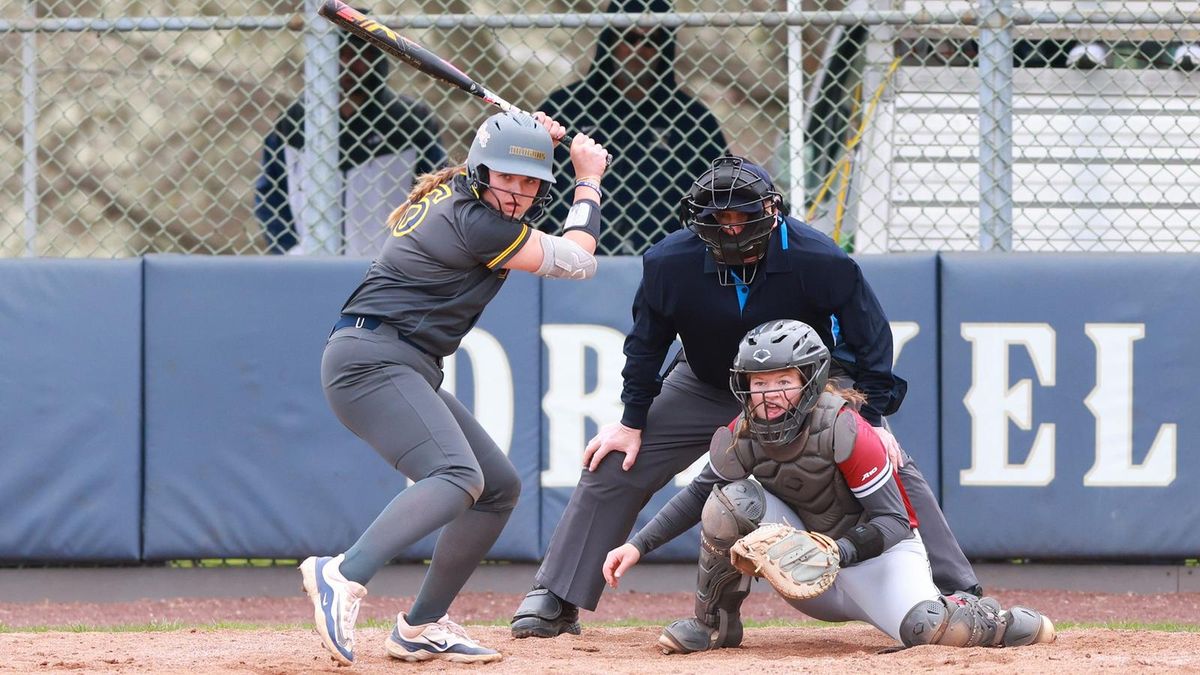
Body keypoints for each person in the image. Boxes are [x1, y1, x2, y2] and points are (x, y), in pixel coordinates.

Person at [510, 155, 981, 639]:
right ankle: (557, 595)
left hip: (803, 387)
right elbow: (646, 344)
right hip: (707, 380)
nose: (731, 228)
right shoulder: (669, 262)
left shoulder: (819, 258)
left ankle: (960, 591)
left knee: (892, 463)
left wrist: (875, 419)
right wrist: (631, 422)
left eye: (743, 215)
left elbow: (870, 336)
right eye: (719, 218)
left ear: (771, 210)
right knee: (615, 462)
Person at [299, 110, 609, 665]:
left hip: (396, 360)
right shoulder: (478, 222)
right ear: (479, 171)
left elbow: (506, 165)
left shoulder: (462, 195)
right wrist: (587, 178)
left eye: (530, 182)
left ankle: (420, 626)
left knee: (496, 488)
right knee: (456, 476)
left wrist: (531, 143)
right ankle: (342, 573)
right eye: (506, 177)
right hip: (372, 361)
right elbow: (580, 261)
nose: (517, 194)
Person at [601, 319, 1055, 653]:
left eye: (783, 381)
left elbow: (895, 522)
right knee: (731, 501)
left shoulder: (846, 428)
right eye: (759, 383)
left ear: (810, 381)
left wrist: (836, 551)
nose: (768, 395)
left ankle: (1000, 620)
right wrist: (637, 546)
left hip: (876, 562)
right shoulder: (744, 430)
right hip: (810, 576)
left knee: (927, 627)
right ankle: (713, 624)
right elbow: (700, 494)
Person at [534, 0, 728, 255]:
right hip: (571, 255)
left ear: (664, 47)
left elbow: (723, 191)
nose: (638, 49)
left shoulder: (691, 118)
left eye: (650, 41)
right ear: (611, 40)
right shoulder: (566, 107)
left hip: (665, 259)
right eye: (629, 37)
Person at [254, 15, 445, 255]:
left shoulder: (409, 121)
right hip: (311, 260)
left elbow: (438, 196)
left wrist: (408, 253)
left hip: (386, 263)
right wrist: (292, 251)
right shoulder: (295, 121)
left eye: (360, 54)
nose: (348, 63)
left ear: (376, 58)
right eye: (340, 53)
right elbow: (270, 194)